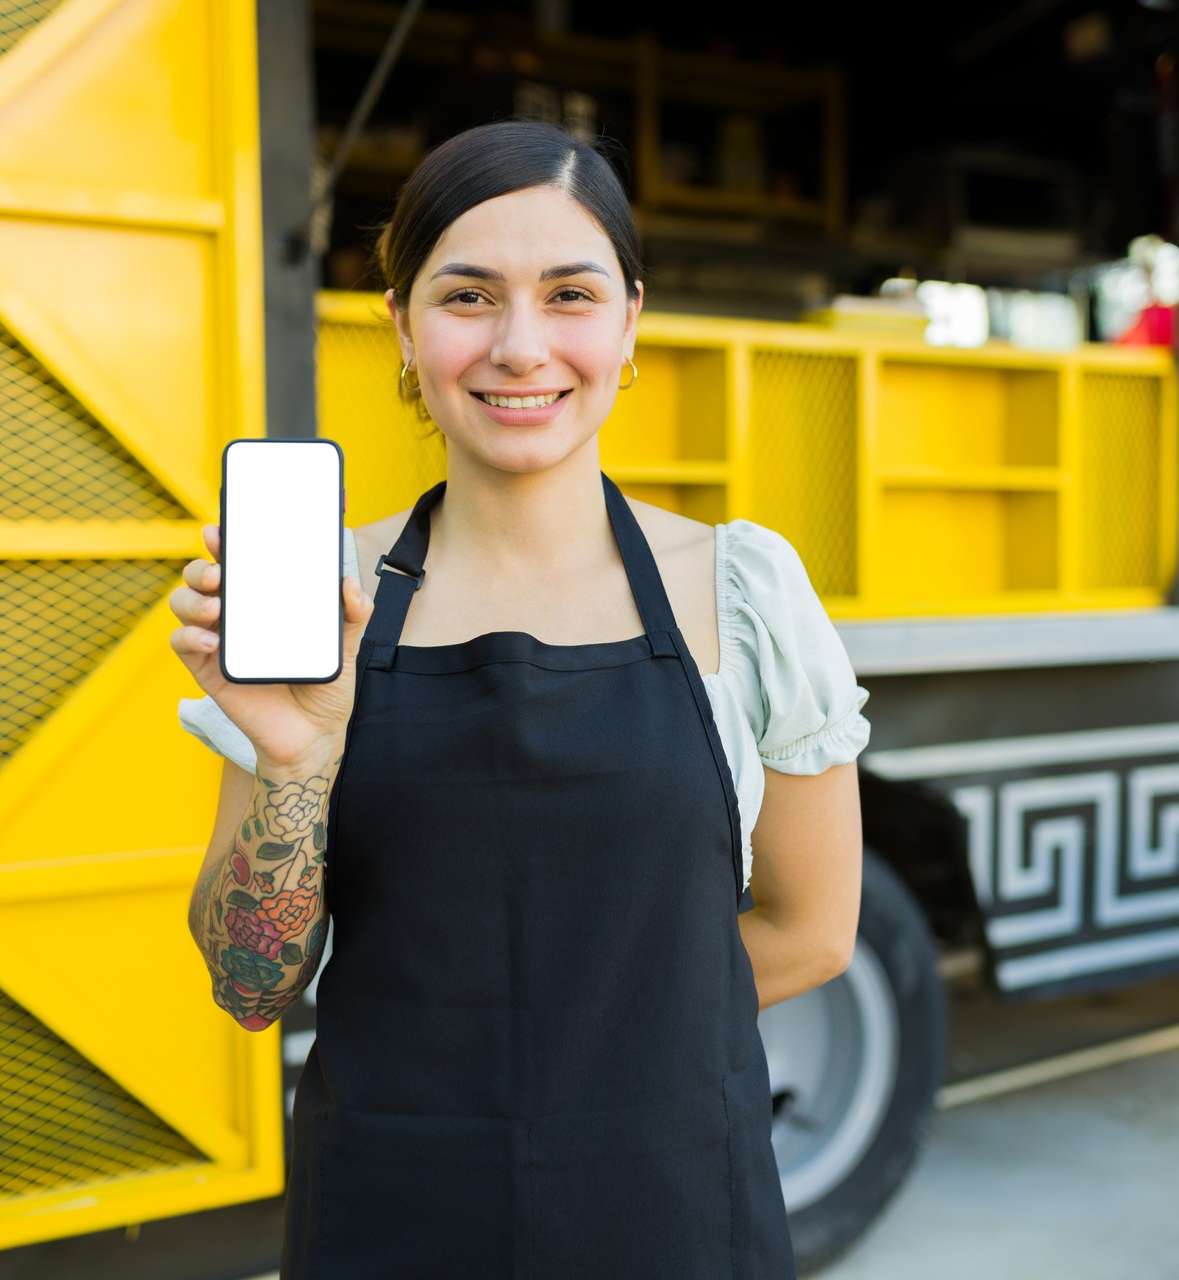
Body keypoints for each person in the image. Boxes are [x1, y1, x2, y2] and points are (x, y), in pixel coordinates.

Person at [166, 120, 870, 1278]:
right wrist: (298, 756)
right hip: (391, 1212)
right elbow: (251, 984)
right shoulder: (320, 603)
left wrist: (573, 1056)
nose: (521, 345)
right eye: (469, 296)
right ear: (401, 325)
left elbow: (812, 925)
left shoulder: (743, 590)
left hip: (673, 1201)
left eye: (571, 294)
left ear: (630, 321)